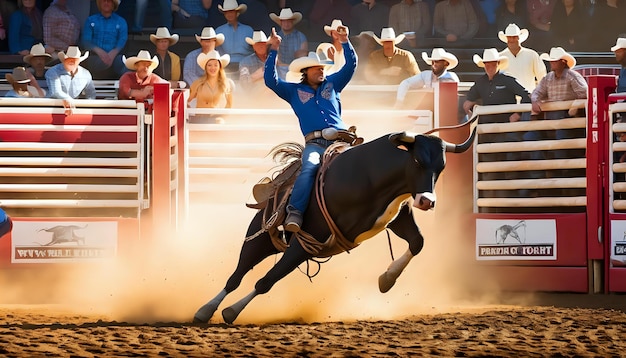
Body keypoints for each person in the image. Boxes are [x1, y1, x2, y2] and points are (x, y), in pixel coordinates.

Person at [264, 23, 357, 232]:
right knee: (309, 167)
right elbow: (271, 80)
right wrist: (273, 50)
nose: (322, 71)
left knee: (361, 162)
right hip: (315, 144)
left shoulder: (333, 84)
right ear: (306, 72)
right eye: (318, 68)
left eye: (323, 68)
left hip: (341, 140)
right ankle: (295, 212)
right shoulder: (293, 90)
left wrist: (344, 40)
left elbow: (351, 65)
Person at [463, 48, 531, 185]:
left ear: (498, 64)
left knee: (509, 162)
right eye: (487, 64)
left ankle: (508, 194)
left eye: (492, 64)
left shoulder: (508, 80)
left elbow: (527, 96)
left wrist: (518, 114)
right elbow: (467, 102)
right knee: (489, 164)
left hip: (506, 129)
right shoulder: (480, 82)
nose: (489, 67)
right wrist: (470, 107)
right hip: (488, 130)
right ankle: (493, 196)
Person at [523, 47, 588, 179]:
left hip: (568, 124)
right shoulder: (548, 78)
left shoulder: (572, 77)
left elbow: (585, 94)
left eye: (555, 61)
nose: (552, 63)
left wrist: (574, 107)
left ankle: (560, 177)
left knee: (560, 144)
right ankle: (540, 177)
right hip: (551, 124)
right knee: (530, 137)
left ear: (563, 62)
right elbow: (537, 92)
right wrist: (535, 101)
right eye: (551, 61)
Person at [395, 48, 459, 109]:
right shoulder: (426, 75)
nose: (434, 65)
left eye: (437, 61)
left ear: (446, 63)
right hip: (431, 110)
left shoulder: (451, 77)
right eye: (432, 62)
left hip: (446, 111)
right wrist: (399, 102)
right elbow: (406, 83)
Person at [81, 0, 128, 79]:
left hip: (115, 56)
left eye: (109, 1)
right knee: (102, 62)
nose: (106, 3)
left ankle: (125, 89)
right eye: (103, 1)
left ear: (113, 4)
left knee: (123, 63)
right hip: (95, 57)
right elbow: (86, 40)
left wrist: (113, 52)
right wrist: (99, 51)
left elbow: (122, 39)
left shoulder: (121, 21)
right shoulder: (90, 20)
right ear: (99, 3)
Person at [46, 46, 96, 116]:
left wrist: (87, 109)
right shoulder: (53, 71)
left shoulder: (86, 74)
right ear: (64, 60)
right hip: (52, 109)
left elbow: (91, 94)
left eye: (74, 59)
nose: (71, 61)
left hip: (75, 110)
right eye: (68, 59)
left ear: (79, 61)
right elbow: (55, 92)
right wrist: (68, 99)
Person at [498, 23, 546, 93]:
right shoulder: (499, 57)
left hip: (528, 98)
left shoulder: (532, 54)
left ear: (519, 37)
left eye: (514, 37)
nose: (511, 39)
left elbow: (542, 77)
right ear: (506, 38)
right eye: (509, 37)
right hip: (508, 100)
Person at [269, 8, 308, 80]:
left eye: (289, 21)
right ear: (280, 22)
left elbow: (303, 56)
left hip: (296, 71)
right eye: (284, 21)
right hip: (278, 71)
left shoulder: (301, 36)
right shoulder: (274, 37)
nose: (286, 24)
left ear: (293, 22)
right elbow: (272, 57)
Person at [215, 0, 253, 71]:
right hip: (226, 64)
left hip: (246, 64)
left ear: (237, 13)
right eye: (226, 12)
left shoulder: (248, 30)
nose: (229, 14)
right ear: (224, 14)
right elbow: (217, 51)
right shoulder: (218, 31)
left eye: (231, 11)